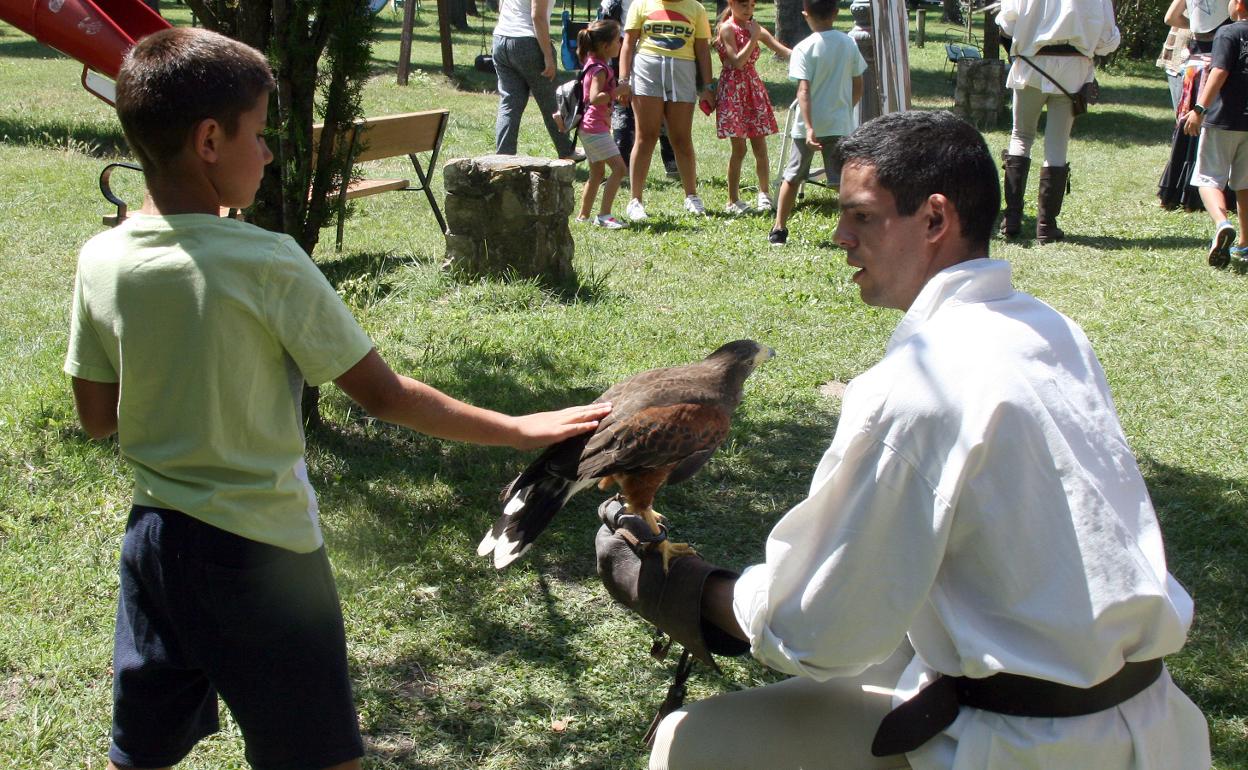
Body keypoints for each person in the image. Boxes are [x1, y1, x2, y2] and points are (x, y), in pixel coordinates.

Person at [596, 110, 1211, 770]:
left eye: (861, 216)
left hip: (1026, 750)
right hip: (1155, 728)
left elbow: (819, 629)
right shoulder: (1051, 332)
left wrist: (685, 588)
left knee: (691, 743)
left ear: (935, 220)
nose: (839, 237)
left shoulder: (918, 389)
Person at [66, 28, 611, 770]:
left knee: (144, 750)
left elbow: (97, 419)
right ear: (208, 140)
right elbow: (383, 396)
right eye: (258, 135)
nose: (266, 153)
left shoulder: (102, 258)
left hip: (155, 548)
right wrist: (517, 428)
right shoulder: (268, 262)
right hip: (263, 555)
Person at [996, 0, 1119, 244]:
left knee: (1021, 136)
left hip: (1031, 64)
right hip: (1073, 70)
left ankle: (1011, 219)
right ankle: (1046, 225)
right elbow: (1107, 41)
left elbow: (1007, 25)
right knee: (1057, 144)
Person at [767, 0, 864, 246]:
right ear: (836, 13)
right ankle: (853, 232)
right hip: (839, 124)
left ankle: (779, 228)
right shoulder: (849, 43)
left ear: (805, 14)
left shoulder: (803, 48)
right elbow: (858, 85)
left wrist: (810, 127)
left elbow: (804, 91)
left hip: (806, 127)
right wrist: (844, 109)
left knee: (792, 176)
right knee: (842, 182)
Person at [616, 0, 716, 220]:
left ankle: (691, 196)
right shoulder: (641, 4)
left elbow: (702, 49)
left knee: (681, 138)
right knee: (646, 136)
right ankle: (635, 201)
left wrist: (708, 86)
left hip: (682, 73)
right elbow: (628, 43)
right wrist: (623, 80)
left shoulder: (696, 8)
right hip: (647, 72)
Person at [1183, 0, 1248, 271]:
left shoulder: (1229, 32)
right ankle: (1244, 243)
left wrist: (1198, 109)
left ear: (1240, 5)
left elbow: (1220, 71)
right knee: (1245, 183)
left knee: (1208, 178)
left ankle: (1223, 224)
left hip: (1223, 119)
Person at [714, 0, 790, 215]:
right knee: (739, 149)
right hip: (732, 91)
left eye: (752, 6)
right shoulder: (728, 28)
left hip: (752, 89)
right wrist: (755, 37)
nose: (748, 10)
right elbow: (737, 61)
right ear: (731, 3)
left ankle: (764, 194)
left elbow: (783, 51)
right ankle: (732, 200)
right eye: (743, 5)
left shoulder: (754, 28)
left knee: (760, 147)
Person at [600, 0, 680, 176]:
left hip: (658, 52)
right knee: (623, 105)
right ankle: (623, 166)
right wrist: (622, 77)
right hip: (623, 50)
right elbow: (608, 18)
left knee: (662, 105)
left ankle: (673, 162)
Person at [492, 0, 580, 159]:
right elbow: (537, 16)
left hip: (500, 38)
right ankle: (566, 152)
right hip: (527, 41)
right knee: (552, 102)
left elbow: (501, 6)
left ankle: (502, 159)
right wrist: (547, 56)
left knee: (509, 103)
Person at [571, 20, 629, 228]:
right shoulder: (600, 69)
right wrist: (617, 92)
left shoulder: (592, 62)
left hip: (590, 127)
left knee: (596, 173)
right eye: (617, 40)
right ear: (606, 46)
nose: (620, 43)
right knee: (620, 169)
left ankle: (583, 216)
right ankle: (604, 215)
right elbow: (594, 97)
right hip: (595, 128)